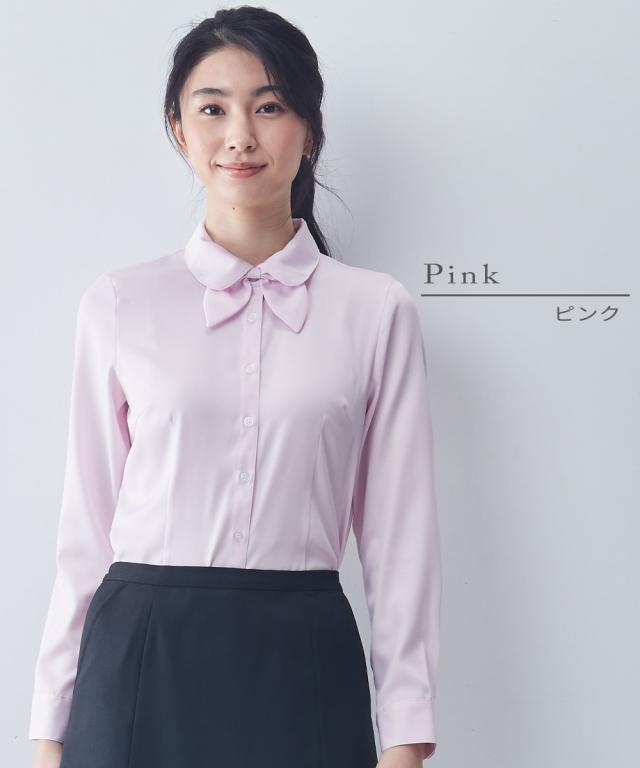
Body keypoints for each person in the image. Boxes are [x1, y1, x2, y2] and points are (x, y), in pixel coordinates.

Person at [29, 6, 442, 768]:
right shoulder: (120, 304)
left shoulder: (376, 311)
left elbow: (400, 541)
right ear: (179, 129)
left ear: (310, 130)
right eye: (213, 108)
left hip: (304, 662)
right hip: (139, 663)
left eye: (270, 106)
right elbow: (84, 536)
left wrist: (406, 740)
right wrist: (50, 732)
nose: (240, 136)